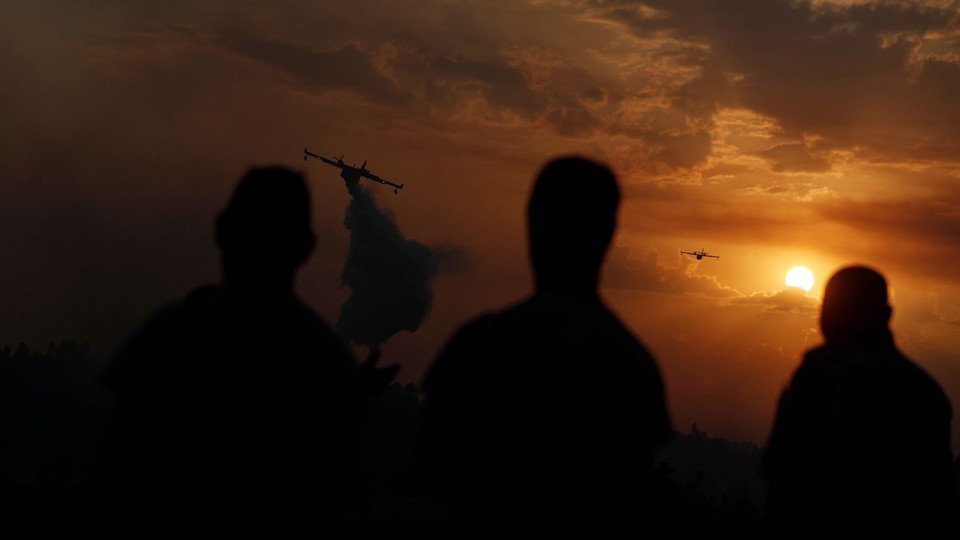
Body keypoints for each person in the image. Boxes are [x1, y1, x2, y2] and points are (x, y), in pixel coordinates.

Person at [89, 166, 396, 524]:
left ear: (221, 230)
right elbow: (334, 485)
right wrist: (351, 395)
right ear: (306, 247)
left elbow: (112, 464)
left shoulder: (171, 330)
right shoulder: (326, 359)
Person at [412, 156, 673, 523]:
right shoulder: (633, 364)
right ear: (608, 235)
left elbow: (428, 479)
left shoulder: (481, 343)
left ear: (533, 226)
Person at [760, 265, 959, 536]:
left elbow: (785, 484)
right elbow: (937, 498)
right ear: (888, 315)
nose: (826, 318)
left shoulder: (821, 375)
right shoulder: (924, 388)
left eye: (835, 308)